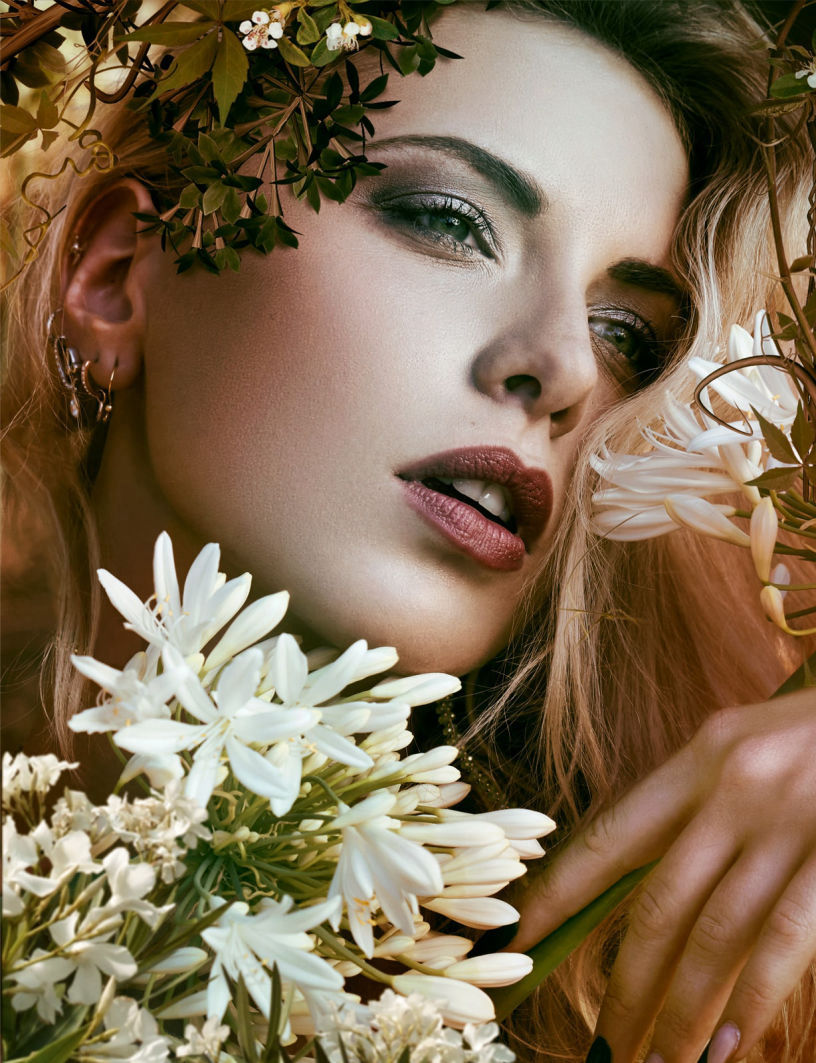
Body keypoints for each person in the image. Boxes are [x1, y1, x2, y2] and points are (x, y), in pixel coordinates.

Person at [2, 2, 815, 1062]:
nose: (562, 369)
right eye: (447, 221)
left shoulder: (620, 1010)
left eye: (626, 334)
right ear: (116, 276)